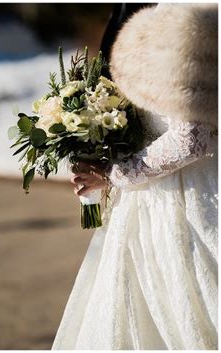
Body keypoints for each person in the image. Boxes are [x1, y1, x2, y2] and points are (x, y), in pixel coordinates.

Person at [52, 4, 217, 350]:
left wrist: (115, 174)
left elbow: (194, 137)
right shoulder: (134, 12)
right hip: (142, 203)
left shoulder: (186, 17)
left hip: (184, 204)